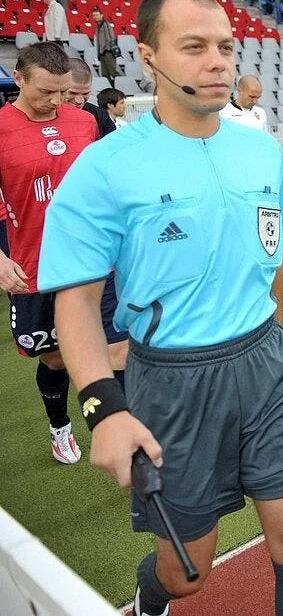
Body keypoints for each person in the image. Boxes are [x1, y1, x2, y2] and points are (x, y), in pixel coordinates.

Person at [37, 0, 283, 616]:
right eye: (194, 47)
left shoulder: (258, 150)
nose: (218, 61)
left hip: (267, 363)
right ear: (148, 58)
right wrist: (103, 408)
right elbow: (78, 305)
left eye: (225, 46)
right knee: (187, 570)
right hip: (172, 382)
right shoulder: (105, 168)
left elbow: (271, 250)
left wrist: (265, 330)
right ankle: (149, 598)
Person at [0, 42, 128, 466]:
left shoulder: (84, 122)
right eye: (45, 92)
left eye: (62, 93)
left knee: (117, 351)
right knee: (56, 358)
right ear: (19, 79)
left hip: (96, 261)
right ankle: (60, 427)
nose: (55, 102)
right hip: (35, 266)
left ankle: (125, 430)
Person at [64, 58, 117, 138]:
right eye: (72, 93)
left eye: (85, 93)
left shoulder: (100, 116)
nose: (79, 101)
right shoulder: (44, 116)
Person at [93, 8, 119, 88]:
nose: (95, 17)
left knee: (113, 72)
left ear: (101, 15)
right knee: (105, 74)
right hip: (102, 53)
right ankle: (110, 89)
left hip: (108, 52)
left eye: (97, 15)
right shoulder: (98, 27)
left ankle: (119, 87)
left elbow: (111, 38)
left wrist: (107, 48)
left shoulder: (106, 25)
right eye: (94, 15)